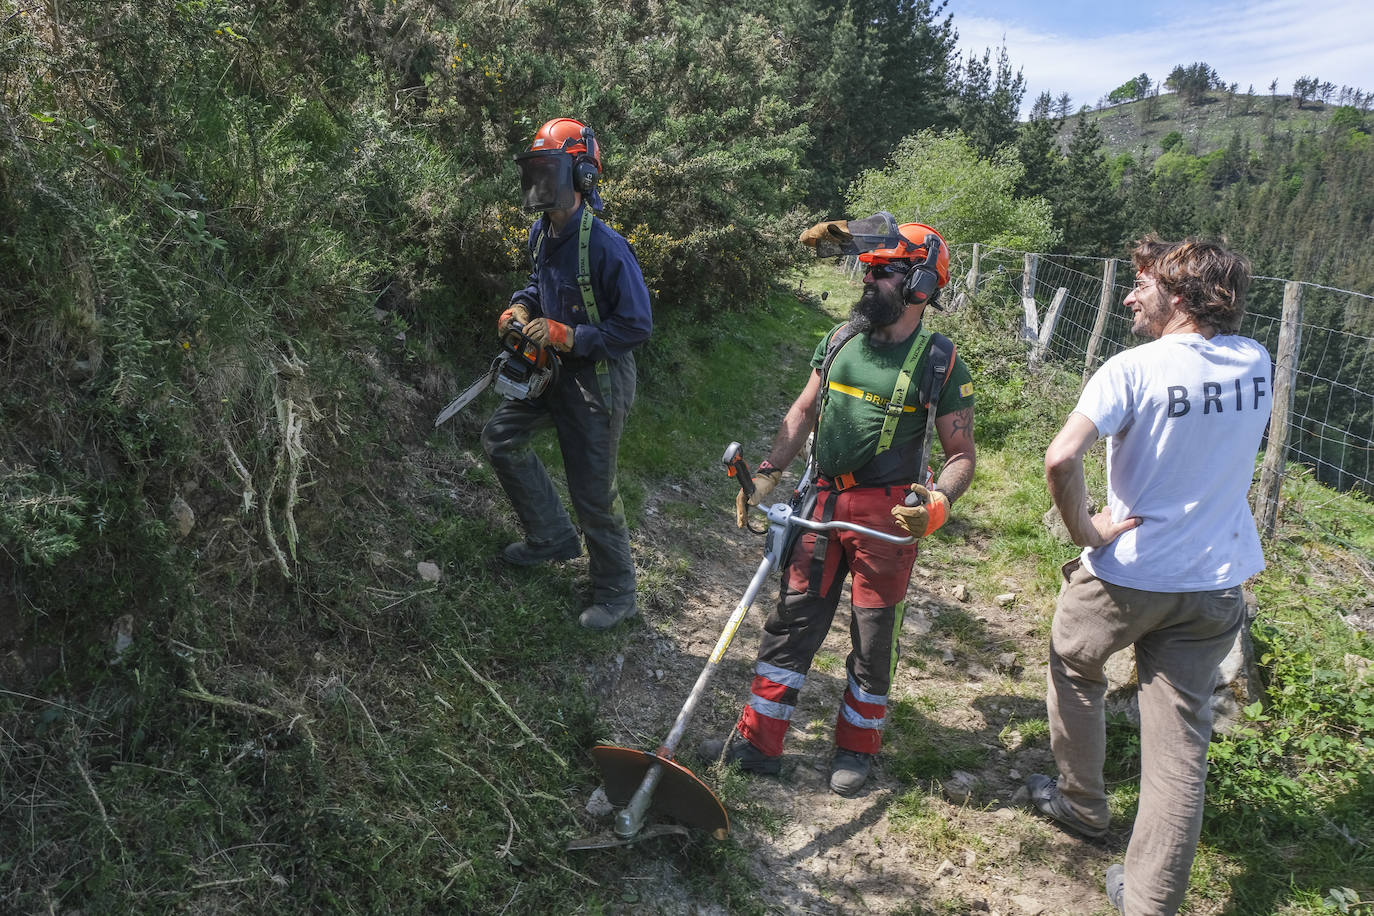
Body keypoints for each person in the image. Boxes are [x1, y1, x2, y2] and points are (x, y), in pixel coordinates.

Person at [1029, 236, 1271, 915]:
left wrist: (1087, 531)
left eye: (1146, 286)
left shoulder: (1131, 368)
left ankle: (1082, 804)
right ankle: (1148, 901)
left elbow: (1060, 458)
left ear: (1182, 296)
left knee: (1074, 664)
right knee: (1180, 750)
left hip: (1131, 573)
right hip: (1217, 582)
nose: (1132, 296)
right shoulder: (1257, 359)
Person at [703, 217, 977, 796]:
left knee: (874, 639)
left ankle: (857, 748)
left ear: (921, 285)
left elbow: (960, 455)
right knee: (791, 621)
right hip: (821, 502)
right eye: (870, 269)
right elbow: (802, 411)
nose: (869, 280)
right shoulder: (840, 340)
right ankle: (758, 744)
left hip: (887, 517)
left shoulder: (941, 362)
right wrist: (770, 476)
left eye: (884, 272)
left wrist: (939, 504)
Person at [481, 117, 653, 630]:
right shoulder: (542, 232)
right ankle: (552, 537)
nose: (539, 183)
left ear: (581, 176)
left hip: (599, 378)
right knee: (501, 438)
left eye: (549, 171)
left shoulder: (605, 246)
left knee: (594, 492)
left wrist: (573, 336)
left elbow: (636, 326)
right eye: (534, 171)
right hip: (553, 369)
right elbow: (539, 283)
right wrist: (519, 307)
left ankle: (618, 592)